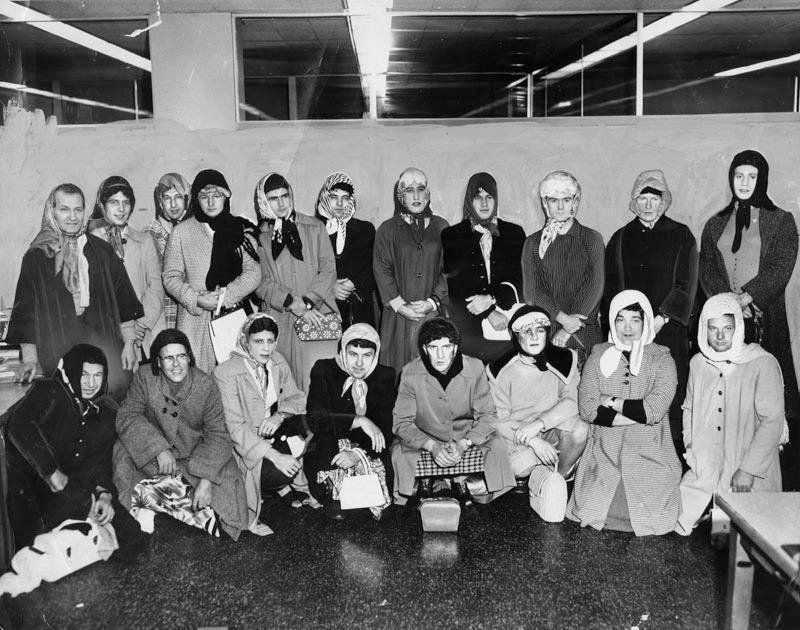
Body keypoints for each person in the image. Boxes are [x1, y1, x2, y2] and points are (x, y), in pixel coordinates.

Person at [3, 344, 147, 556]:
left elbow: (101, 462)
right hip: (37, 491)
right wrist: (52, 472)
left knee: (133, 536)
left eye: (97, 375)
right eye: (84, 375)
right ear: (70, 372)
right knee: (54, 556)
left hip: (77, 489)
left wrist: (104, 493)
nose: (91, 383)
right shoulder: (48, 391)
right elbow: (19, 424)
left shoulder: (104, 411)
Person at [7, 183, 142, 401]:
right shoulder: (37, 257)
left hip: (103, 344)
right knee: (65, 406)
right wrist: (30, 359)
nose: (73, 217)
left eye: (78, 210)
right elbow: (26, 314)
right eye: (64, 209)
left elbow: (124, 301)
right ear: (52, 212)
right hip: (57, 346)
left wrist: (129, 344)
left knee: (108, 404)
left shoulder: (103, 251)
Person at [113, 329, 248, 541]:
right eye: (168, 358)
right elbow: (127, 415)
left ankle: (161, 502)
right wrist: (158, 448)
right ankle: (147, 507)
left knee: (228, 499)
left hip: (194, 455)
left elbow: (218, 434)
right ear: (158, 361)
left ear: (189, 357)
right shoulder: (145, 376)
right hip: (155, 459)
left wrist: (206, 479)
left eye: (181, 356)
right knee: (122, 451)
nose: (176, 365)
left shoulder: (205, 384)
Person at [699, 150, 799, 436]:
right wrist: (727, 304)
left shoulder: (781, 220)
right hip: (725, 320)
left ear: (762, 179)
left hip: (762, 315)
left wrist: (747, 297)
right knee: (726, 392)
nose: (744, 182)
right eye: (738, 176)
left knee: (765, 389)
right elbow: (707, 266)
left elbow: (782, 266)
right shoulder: (715, 223)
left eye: (752, 177)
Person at [567, 290, 681, 536]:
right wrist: (639, 414)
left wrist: (611, 401)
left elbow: (654, 409)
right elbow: (587, 408)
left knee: (646, 515)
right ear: (611, 321)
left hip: (650, 453)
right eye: (620, 319)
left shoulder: (662, 358)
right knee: (597, 510)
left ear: (646, 321)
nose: (627, 328)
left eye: (635, 320)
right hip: (605, 452)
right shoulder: (598, 354)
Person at [604, 169, 698, 456]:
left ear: (664, 201)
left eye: (653, 199)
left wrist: (660, 319)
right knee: (633, 389)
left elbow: (687, 283)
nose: (648, 204)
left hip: (667, 329)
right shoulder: (620, 238)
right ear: (634, 201)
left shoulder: (682, 235)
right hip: (630, 332)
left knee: (670, 390)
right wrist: (625, 326)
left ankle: (671, 457)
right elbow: (612, 288)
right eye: (642, 198)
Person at [676, 293, 786, 535]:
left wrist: (747, 470)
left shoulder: (761, 363)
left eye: (727, 328)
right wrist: (693, 447)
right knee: (677, 520)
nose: (720, 336)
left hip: (748, 467)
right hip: (706, 465)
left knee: (745, 541)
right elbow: (689, 408)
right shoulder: (698, 363)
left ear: (738, 327)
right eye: (713, 329)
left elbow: (772, 422)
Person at [214, 313, 318, 537]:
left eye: (270, 341)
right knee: (279, 472)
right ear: (245, 341)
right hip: (244, 445)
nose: (266, 348)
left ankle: (286, 486)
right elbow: (235, 429)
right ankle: (272, 490)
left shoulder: (277, 361)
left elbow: (297, 398)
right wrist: (275, 456)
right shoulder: (225, 373)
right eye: (258, 341)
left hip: (274, 432)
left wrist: (278, 416)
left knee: (312, 442)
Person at [391, 318, 515, 505]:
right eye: (433, 347)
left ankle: (460, 481)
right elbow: (402, 423)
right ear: (424, 349)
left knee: (496, 444)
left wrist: (464, 444)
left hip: (465, 434)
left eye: (446, 347)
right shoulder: (410, 372)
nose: (440, 355)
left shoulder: (475, 367)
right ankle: (430, 482)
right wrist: (431, 446)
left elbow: (488, 415)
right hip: (424, 435)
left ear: (455, 348)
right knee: (399, 452)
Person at [163, 169, 262, 374]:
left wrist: (223, 298)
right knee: (198, 379)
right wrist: (196, 299)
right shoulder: (181, 232)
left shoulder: (240, 229)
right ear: (195, 200)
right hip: (195, 320)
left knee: (235, 376)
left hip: (233, 315)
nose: (211, 202)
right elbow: (170, 277)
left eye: (216, 195)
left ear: (226, 197)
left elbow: (253, 272)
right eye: (204, 196)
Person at [255, 172, 339, 392]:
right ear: (264, 201)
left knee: (319, 381)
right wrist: (294, 303)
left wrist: (308, 304)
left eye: (285, 196)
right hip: (280, 317)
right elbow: (260, 282)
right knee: (285, 382)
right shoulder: (259, 236)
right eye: (273, 198)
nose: (281, 203)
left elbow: (328, 269)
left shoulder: (314, 227)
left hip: (317, 315)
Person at [486, 306, 588, 484]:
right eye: (526, 331)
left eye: (539, 330)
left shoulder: (564, 360)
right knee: (520, 466)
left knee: (581, 429)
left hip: (551, 428)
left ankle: (559, 477)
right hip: (518, 435)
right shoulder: (499, 370)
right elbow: (497, 420)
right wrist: (533, 441)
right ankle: (546, 470)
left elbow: (573, 400)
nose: (534, 337)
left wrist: (540, 424)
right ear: (516, 336)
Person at [305, 323, 396, 520]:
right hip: (329, 445)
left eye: (367, 355)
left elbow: (386, 429)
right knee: (339, 508)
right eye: (353, 354)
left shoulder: (385, 375)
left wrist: (356, 454)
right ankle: (334, 498)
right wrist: (359, 420)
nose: (359, 363)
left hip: (367, 448)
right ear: (343, 351)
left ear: (376, 355)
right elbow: (317, 419)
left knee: (380, 509)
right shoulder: (324, 369)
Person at [441, 171, 526, 363]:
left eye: (489, 197)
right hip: (469, 326)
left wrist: (492, 300)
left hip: (506, 324)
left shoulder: (514, 233)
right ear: (469, 202)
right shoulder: (452, 235)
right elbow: (456, 286)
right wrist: (489, 313)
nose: (485, 204)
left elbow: (519, 279)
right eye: (478, 198)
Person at [522, 171, 604, 364]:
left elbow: (595, 286)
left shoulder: (592, 239)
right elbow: (532, 292)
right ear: (544, 203)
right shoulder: (533, 243)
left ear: (575, 202)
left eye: (566, 200)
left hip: (583, 330)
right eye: (553, 200)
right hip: (546, 330)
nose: (560, 206)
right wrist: (562, 319)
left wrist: (568, 328)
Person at [373, 168, 449, 374]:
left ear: (428, 193)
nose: (416, 196)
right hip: (398, 315)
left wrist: (432, 302)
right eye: (409, 190)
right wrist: (400, 306)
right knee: (398, 371)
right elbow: (382, 269)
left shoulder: (442, 227)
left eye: (421, 189)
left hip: (432, 312)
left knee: (433, 367)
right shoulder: (387, 230)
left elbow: (449, 270)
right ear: (401, 196)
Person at [90, 176, 165, 359]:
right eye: (114, 202)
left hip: (142, 332)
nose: (121, 209)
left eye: (126, 202)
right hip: (106, 332)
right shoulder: (90, 243)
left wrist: (139, 325)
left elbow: (155, 286)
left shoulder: (144, 241)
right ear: (102, 204)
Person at [315, 171, 377, 328]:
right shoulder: (313, 230)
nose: (340, 203)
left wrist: (355, 283)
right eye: (334, 197)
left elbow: (376, 269)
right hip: (324, 308)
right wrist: (330, 286)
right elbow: (306, 271)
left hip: (359, 309)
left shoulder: (366, 230)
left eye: (345, 198)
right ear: (324, 197)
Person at [143, 172, 193, 329]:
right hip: (162, 318)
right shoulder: (150, 233)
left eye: (178, 197)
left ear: (186, 198)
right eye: (167, 198)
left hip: (190, 316)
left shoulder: (192, 230)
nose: (173, 204)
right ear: (160, 201)